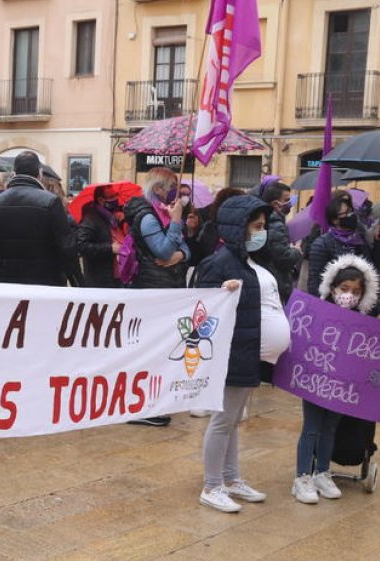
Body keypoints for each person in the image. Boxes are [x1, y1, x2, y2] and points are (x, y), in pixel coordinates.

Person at [194, 195, 289, 513]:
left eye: (263, 226)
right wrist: (223, 293)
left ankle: (231, 478)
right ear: (239, 228)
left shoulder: (250, 261)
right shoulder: (219, 263)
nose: (262, 232)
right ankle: (212, 486)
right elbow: (201, 310)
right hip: (232, 352)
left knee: (233, 421)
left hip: (249, 352)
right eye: (257, 226)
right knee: (223, 421)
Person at [292, 254, 380, 503]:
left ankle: (322, 472)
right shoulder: (318, 314)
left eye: (356, 291)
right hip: (316, 381)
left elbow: (378, 355)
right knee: (311, 428)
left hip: (343, 386)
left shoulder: (366, 323)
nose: (349, 295)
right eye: (344, 289)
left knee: (329, 429)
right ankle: (302, 477)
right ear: (332, 287)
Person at [122, 167, 190, 426]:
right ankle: (141, 406)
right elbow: (162, 250)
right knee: (151, 349)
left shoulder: (162, 212)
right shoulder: (148, 217)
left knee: (162, 348)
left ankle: (152, 401)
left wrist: (181, 255)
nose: (176, 192)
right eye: (172, 186)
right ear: (159, 189)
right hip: (152, 287)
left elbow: (184, 248)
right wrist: (176, 223)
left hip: (166, 286)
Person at [0, 151, 81, 286]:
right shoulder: (51, 202)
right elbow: (66, 247)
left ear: (14, 174)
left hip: (5, 284)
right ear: (40, 173)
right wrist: (78, 283)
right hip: (45, 283)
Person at [307, 190, 372, 298]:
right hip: (332, 301)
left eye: (351, 211)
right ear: (335, 220)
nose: (350, 215)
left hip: (357, 299)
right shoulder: (322, 244)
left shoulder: (359, 239)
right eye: (345, 214)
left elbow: (371, 269)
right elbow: (315, 282)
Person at [76, 185, 130, 288]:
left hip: (119, 276)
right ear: (101, 200)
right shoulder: (90, 219)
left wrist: (125, 219)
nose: (115, 199)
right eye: (111, 197)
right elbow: (82, 246)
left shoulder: (114, 217)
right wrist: (110, 248)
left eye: (116, 195)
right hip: (102, 280)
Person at [257, 180, 302, 303]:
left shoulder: (268, 220)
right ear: (276, 204)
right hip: (277, 282)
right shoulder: (276, 224)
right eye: (287, 200)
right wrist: (296, 251)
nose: (290, 203)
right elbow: (283, 257)